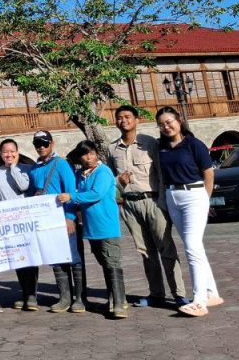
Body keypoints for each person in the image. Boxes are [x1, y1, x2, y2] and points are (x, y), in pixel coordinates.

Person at [108, 105, 189, 308]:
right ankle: (156, 294)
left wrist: (163, 201)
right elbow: (110, 181)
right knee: (145, 252)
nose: (123, 121)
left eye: (127, 117)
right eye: (119, 118)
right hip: (130, 205)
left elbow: (161, 174)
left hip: (153, 201)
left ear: (137, 120)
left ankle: (179, 294)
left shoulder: (150, 143)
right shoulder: (111, 149)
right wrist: (119, 184)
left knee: (166, 248)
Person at [155, 106, 224, 318]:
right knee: (194, 247)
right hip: (172, 197)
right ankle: (212, 293)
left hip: (194, 194)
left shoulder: (194, 145)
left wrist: (205, 198)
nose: (166, 126)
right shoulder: (161, 147)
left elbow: (208, 173)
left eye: (169, 121)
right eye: (161, 124)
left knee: (192, 248)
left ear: (179, 120)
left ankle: (199, 300)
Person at [56, 141, 128, 319]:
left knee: (112, 262)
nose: (89, 157)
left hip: (107, 225)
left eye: (92, 153)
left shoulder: (103, 172)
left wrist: (71, 197)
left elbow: (97, 193)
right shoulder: (81, 175)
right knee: (104, 261)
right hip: (91, 227)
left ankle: (119, 303)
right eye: (85, 154)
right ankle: (115, 298)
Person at [25, 130, 85, 313]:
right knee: (56, 259)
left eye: (44, 143)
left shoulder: (62, 164)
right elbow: (31, 194)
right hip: (46, 222)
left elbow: (71, 192)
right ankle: (64, 297)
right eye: (37, 144)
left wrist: (70, 218)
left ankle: (80, 299)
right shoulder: (35, 169)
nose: (41, 147)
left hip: (64, 219)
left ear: (52, 143)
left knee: (74, 259)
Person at [0, 139, 36, 311]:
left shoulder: (26, 169)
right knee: (17, 258)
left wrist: (13, 167)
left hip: (25, 220)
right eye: (5, 152)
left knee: (29, 257)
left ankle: (31, 295)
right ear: (0, 154)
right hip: (7, 223)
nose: (9, 154)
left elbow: (23, 186)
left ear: (18, 152)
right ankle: (25, 293)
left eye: (12, 151)